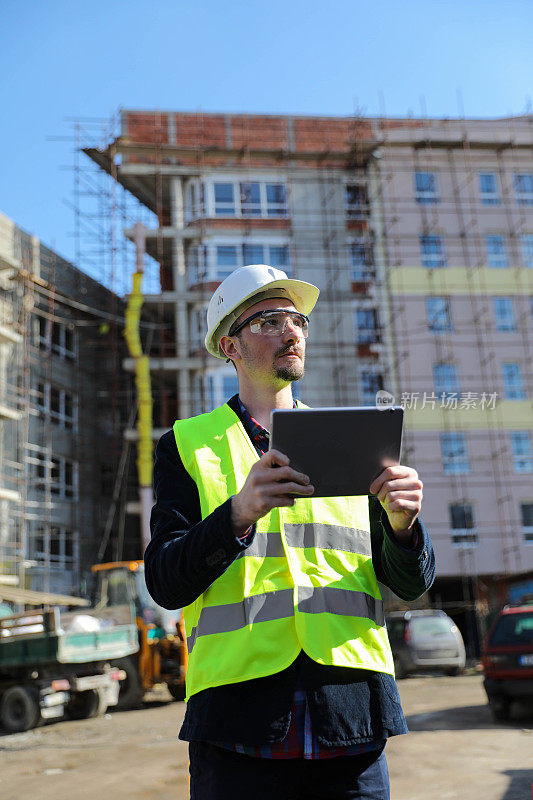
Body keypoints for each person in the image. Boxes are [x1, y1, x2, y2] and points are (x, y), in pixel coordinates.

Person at [145, 264, 435, 800]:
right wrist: (236, 515)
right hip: (239, 723)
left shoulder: (352, 440)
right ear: (230, 346)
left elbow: (410, 582)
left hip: (349, 716)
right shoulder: (188, 445)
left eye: (297, 319)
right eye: (270, 320)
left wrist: (403, 527)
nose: (292, 331)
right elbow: (165, 582)